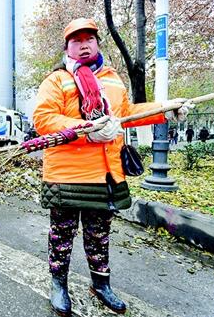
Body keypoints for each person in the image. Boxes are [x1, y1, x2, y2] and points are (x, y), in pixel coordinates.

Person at [33, 18, 193, 316]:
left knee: (99, 235)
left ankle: (101, 284)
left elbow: (128, 114)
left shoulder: (113, 79)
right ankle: (59, 284)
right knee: (61, 235)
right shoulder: (56, 80)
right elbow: (43, 119)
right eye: (76, 40)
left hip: (106, 173)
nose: (83, 45)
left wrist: (165, 109)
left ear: (97, 43)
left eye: (89, 39)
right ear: (67, 47)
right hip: (66, 175)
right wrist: (87, 128)